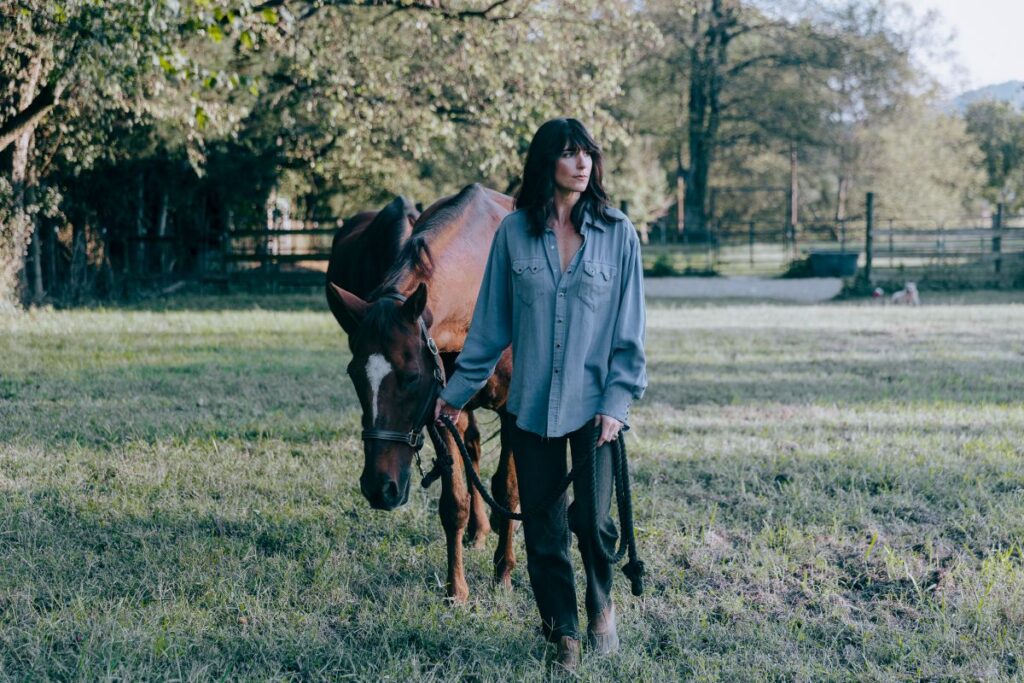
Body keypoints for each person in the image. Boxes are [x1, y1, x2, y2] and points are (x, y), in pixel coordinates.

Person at [433, 117, 647, 671]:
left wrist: (616, 405)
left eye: (588, 153)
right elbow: (488, 330)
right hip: (529, 406)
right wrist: (455, 395)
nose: (582, 163)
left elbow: (630, 333)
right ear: (545, 163)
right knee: (544, 531)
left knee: (594, 522)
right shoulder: (513, 234)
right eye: (570, 153)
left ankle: (600, 604)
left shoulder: (619, 232)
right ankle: (563, 634)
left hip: (596, 409)